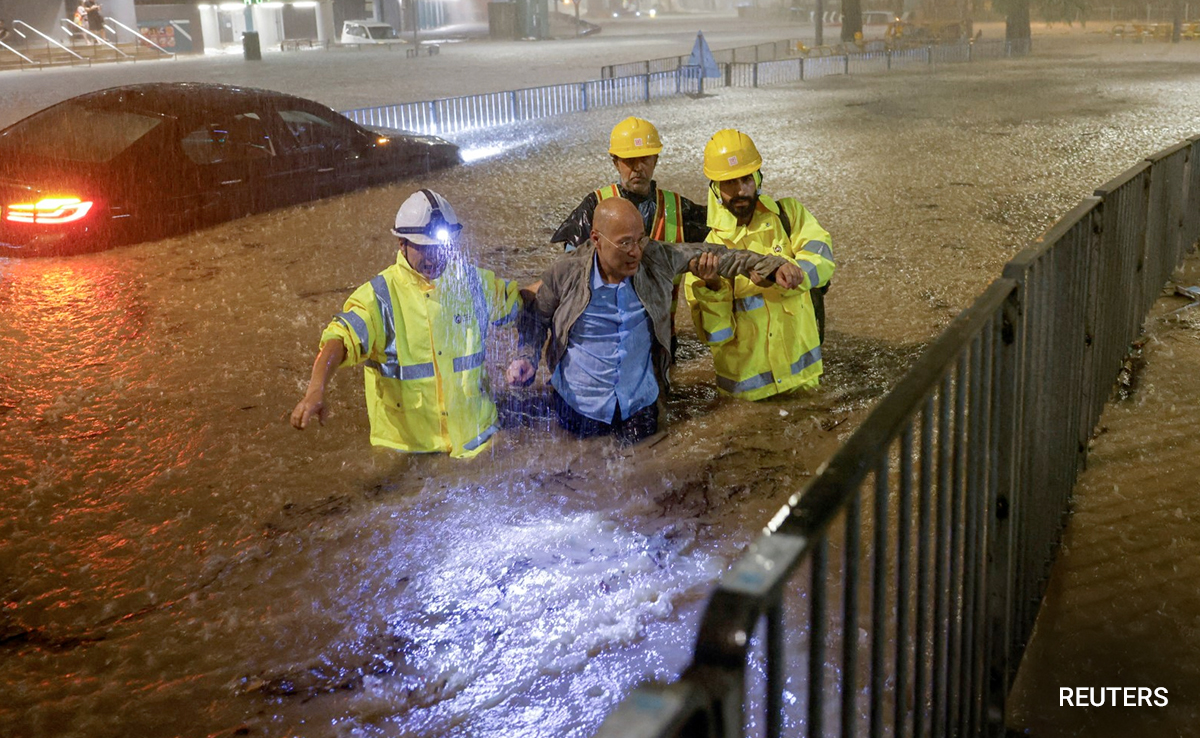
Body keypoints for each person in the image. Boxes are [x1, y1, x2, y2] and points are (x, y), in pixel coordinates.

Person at [507, 197, 805, 444]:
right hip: (579, 407)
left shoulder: (655, 258)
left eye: (640, 239)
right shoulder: (565, 272)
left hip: (640, 407)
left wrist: (771, 265)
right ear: (596, 239)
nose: (636, 251)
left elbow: (721, 255)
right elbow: (536, 318)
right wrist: (526, 356)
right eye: (625, 243)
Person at [291, 189, 524, 459]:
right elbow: (339, 341)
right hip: (410, 455)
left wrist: (568, 276)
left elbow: (523, 303)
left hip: (479, 442)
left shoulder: (474, 283)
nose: (435, 257)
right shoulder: (379, 297)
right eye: (424, 247)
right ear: (401, 244)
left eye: (442, 246)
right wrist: (316, 390)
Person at [684, 129, 835, 402]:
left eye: (746, 179)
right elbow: (715, 336)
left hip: (804, 382)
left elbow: (823, 260)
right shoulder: (707, 252)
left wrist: (792, 274)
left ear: (758, 178)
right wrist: (713, 285)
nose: (740, 190)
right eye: (729, 183)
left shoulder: (790, 215)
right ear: (715, 188)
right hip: (747, 399)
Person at [550, 117, 710, 358]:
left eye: (645, 159)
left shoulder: (678, 208)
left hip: (659, 339)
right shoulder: (594, 207)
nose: (638, 168)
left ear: (656, 159)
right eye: (629, 160)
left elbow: (725, 234)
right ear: (615, 162)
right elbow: (566, 276)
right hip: (607, 339)